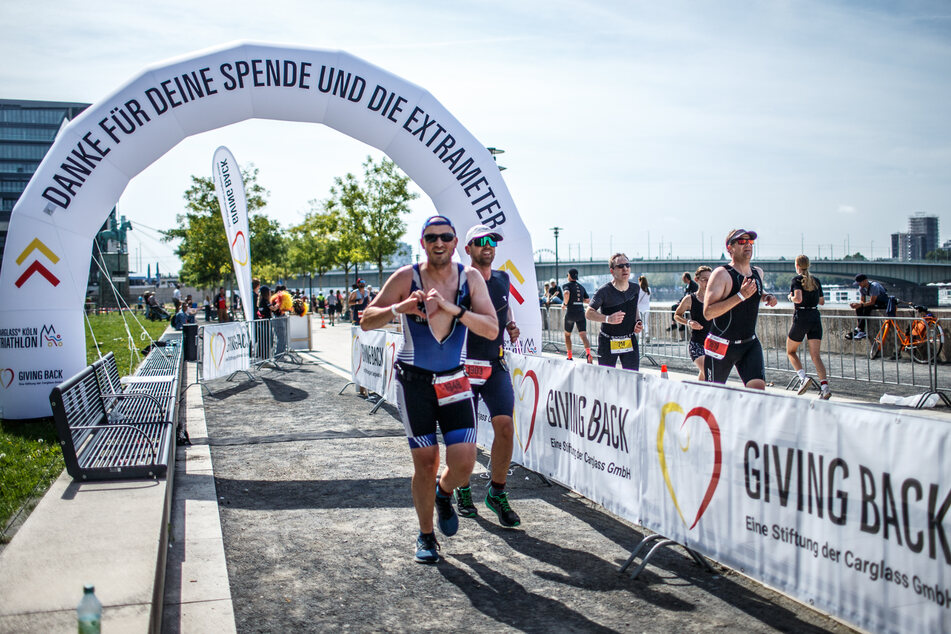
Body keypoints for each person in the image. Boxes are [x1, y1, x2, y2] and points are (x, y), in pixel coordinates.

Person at [360, 215, 498, 564]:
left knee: (464, 463)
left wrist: (456, 309)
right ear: (423, 242)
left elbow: (492, 329)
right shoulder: (407, 277)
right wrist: (398, 308)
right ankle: (425, 535)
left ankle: (444, 491)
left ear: (455, 242)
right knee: (425, 461)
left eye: (446, 237)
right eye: (432, 237)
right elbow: (366, 319)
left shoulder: (469, 279)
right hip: (415, 382)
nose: (439, 243)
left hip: (454, 380)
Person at [452, 225, 522, 528]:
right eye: (480, 242)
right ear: (468, 249)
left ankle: (497, 492)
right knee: (463, 437)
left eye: (492, 241)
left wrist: (510, 326)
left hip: (495, 364)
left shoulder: (503, 278)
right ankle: (462, 487)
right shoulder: (459, 281)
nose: (488, 246)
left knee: (505, 427)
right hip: (463, 366)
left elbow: (504, 309)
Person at [703, 229, 778, 388]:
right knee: (713, 395)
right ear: (730, 248)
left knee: (758, 391)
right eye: (742, 241)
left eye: (750, 241)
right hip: (721, 344)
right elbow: (708, 312)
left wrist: (766, 296)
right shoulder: (721, 274)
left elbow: (755, 290)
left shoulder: (758, 272)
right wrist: (740, 296)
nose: (748, 245)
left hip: (749, 344)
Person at [585, 253, 644, 371]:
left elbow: (634, 307)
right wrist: (608, 319)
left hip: (629, 340)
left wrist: (638, 321)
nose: (625, 268)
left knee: (632, 377)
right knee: (606, 378)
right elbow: (589, 313)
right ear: (612, 271)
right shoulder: (604, 291)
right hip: (608, 340)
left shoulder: (635, 288)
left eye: (627, 265)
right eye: (620, 266)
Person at [786, 255, 831, 399]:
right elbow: (822, 301)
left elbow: (798, 298)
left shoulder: (796, 280)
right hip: (814, 317)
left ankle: (802, 378)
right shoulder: (816, 281)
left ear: (797, 265)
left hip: (802, 317)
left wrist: (790, 297)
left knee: (790, 351)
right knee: (816, 356)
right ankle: (825, 387)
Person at [673, 266, 713, 380]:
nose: (707, 282)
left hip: (713, 343)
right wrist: (689, 322)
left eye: (710, 279)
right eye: (704, 279)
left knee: (705, 374)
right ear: (697, 280)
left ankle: (696, 393)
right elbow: (677, 315)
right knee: (708, 371)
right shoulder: (690, 299)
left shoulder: (715, 298)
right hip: (697, 344)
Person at [562, 268, 592, 362]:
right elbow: (587, 300)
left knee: (567, 335)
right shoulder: (582, 287)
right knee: (583, 335)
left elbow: (566, 293)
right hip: (580, 313)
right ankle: (588, 354)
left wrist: (565, 304)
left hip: (571, 313)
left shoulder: (566, 285)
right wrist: (579, 300)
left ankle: (570, 356)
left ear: (569, 276)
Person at [847, 273, 888, 340]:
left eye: (860, 283)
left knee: (867, 308)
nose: (859, 285)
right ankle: (861, 330)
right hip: (874, 302)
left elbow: (872, 302)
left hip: (882, 303)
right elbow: (862, 301)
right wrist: (857, 305)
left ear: (865, 281)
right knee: (859, 308)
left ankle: (859, 329)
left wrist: (861, 305)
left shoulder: (874, 286)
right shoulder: (861, 288)